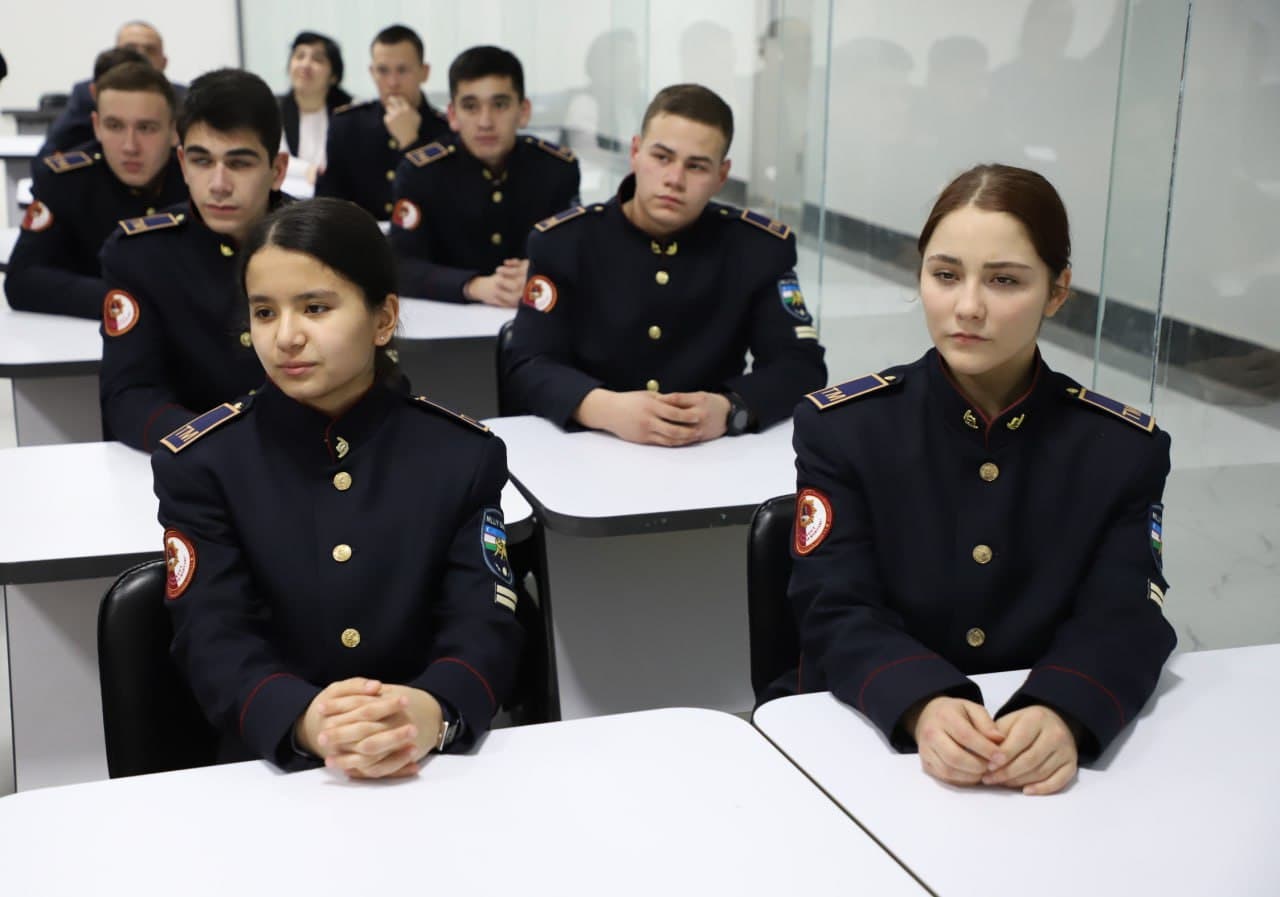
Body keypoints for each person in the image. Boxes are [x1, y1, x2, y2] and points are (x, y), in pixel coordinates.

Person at [781, 164, 1176, 795]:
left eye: (1005, 280)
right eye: (945, 275)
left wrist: (1064, 708)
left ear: (1057, 291)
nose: (968, 306)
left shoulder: (1121, 450)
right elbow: (834, 605)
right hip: (872, 747)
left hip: (1034, 761)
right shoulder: (848, 429)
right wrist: (922, 700)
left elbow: (1127, 612)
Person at [152, 197, 523, 774]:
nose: (286, 337)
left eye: (316, 308)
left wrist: (431, 707)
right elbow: (211, 632)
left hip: (430, 763)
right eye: (265, 312)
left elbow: (485, 619)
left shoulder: (460, 455)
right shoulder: (206, 463)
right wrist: (303, 718)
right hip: (276, 765)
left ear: (382, 319)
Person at [504, 83, 826, 445]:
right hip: (591, 447)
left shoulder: (757, 249)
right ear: (636, 153)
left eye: (697, 166)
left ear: (722, 175)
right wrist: (604, 408)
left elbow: (800, 365)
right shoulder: (564, 242)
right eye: (662, 157)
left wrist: (731, 409)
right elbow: (527, 365)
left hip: (710, 452)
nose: (674, 179)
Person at [99, 68, 288, 452]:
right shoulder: (140, 253)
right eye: (202, 161)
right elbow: (130, 395)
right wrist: (218, 442)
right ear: (183, 164)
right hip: (194, 463)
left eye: (239, 163)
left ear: (277, 170)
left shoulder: (323, 244)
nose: (218, 184)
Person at [389, 45, 580, 305]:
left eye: (499, 105)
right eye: (471, 107)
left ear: (523, 111)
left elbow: (578, 254)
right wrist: (473, 286)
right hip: (447, 323)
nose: (485, 122)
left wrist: (542, 270)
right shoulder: (421, 172)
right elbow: (399, 266)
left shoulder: (556, 168)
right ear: (453, 116)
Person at [6, 62, 186, 319]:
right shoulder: (65, 181)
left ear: (174, 131)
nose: (130, 146)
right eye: (115, 126)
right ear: (97, 126)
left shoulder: (199, 182)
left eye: (146, 128)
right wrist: (129, 302)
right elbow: (22, 280)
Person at [315, 24, 449, 219]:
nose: (392, 82)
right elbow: (327, 203)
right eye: (383, 71)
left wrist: (411, 144)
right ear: (372, 72)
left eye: (402, 70)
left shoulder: (447, 130)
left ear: (424, 72)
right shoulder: (347, 125)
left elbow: (447, 204)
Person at [37, 21, 186, 161]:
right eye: (131, 49)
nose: (141, 56)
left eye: (150, 50)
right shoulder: (88, 94)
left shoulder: (183, 98)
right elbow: (52, 153)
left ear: (164, 62)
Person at [278, 31, 352, 184]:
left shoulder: (350, 113)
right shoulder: (273, 110)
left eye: (317, 59)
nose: (305, 65)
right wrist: (307, 170)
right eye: (299, 56)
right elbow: (273, 158)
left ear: (334, 76)